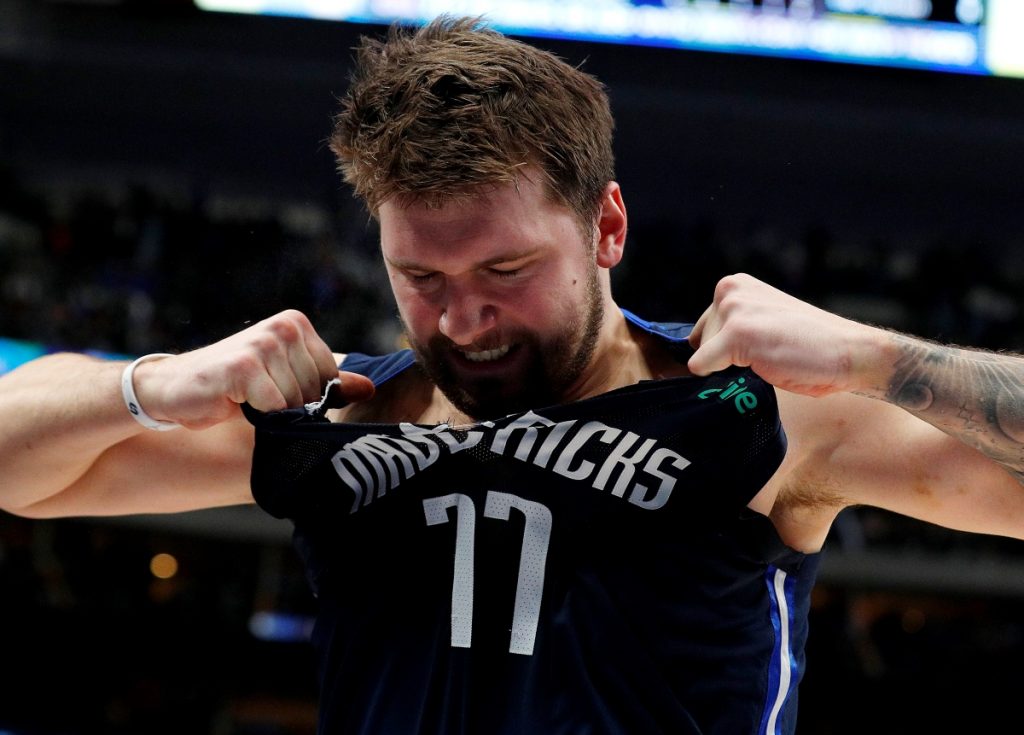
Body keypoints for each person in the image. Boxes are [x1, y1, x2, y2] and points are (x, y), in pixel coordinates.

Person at [2, 14, 1024, 735]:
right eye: (420, 278)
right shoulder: (344, 414)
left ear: (606, 228)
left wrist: (882, 359)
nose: (463, 320)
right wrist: (148, 385)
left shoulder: (755, 408)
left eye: (505, 271)